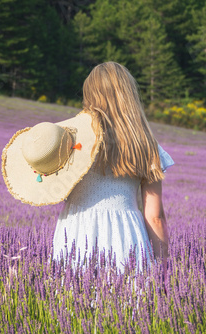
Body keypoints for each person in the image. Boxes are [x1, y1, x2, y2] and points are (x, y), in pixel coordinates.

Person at [51, 62, 174, 274]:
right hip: (126, 237)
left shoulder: (70, 139)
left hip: (74, 234)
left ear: (90, 94)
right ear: (129, 94)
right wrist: (163, 269)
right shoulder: (145, 144)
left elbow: (51, 189)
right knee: (126, 303)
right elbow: (155, 217)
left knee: (70, 300)